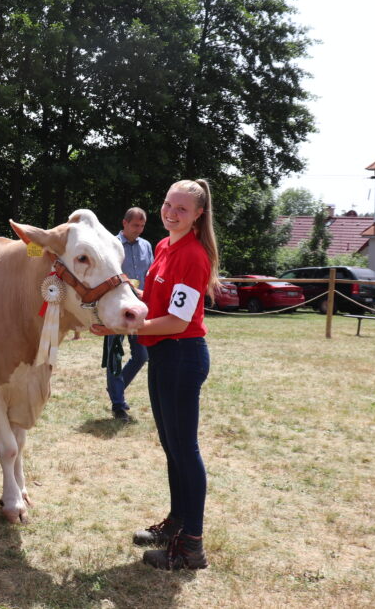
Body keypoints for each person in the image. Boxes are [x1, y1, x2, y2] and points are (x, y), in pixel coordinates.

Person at [91, 179, 220, 571]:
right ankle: (177, 525)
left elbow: (179, 321)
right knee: (172, 448)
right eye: (167, 204)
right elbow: (153, 303)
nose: (171, 212)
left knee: (185, 450)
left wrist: (121, 328)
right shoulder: (164, 246)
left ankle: (191, 547)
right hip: (163, 354)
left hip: (182, 355)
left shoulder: (194, 255)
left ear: (199, 214)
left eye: (181, 208)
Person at [104, 207, 154, 422]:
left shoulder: (146, 246)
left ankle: (116, 388)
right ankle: (118, 404)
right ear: (124, 223)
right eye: (135, 225)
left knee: (142, 355)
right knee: (115, 356)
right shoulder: (110, 245)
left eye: (142, 226)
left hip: (140, 308)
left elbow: (150, 274)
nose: (139, 230)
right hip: (116, 310)